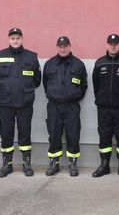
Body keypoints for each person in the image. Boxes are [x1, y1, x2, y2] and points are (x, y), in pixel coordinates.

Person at [0, 28, 41, 177]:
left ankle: (26, 164)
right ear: (8, 39)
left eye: (18, 38)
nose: (15, 40)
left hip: (25, 103)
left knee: (25, 133)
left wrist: (24, 89)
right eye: (13, 38)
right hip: (6, 103)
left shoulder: (31, 57)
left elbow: (37, 80)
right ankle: (7, 165)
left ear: (22, 39)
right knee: (6, 133)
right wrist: (6, 88)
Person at [43, 36, 88, 177]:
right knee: (54, 133)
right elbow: (45, 83)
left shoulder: (78, 65)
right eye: (60, 46)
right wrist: (53, 95)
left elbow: (84, 86)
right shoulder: (49, 64)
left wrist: (74, 97)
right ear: (57, 47)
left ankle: (73, 163)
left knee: (73, 134)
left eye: (65, 46)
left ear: (70, 46)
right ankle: (54, 163)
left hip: (72, 106)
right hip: (54, 106)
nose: (63, 49)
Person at [92, 34, 119, 179]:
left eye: (116, 43)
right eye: (111, 43)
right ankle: (104, 165)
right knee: (104, 137)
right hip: (103, 108)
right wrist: (100, 100)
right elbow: (95, 85)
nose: (113, 46)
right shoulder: (99, 63)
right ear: (107, 44)